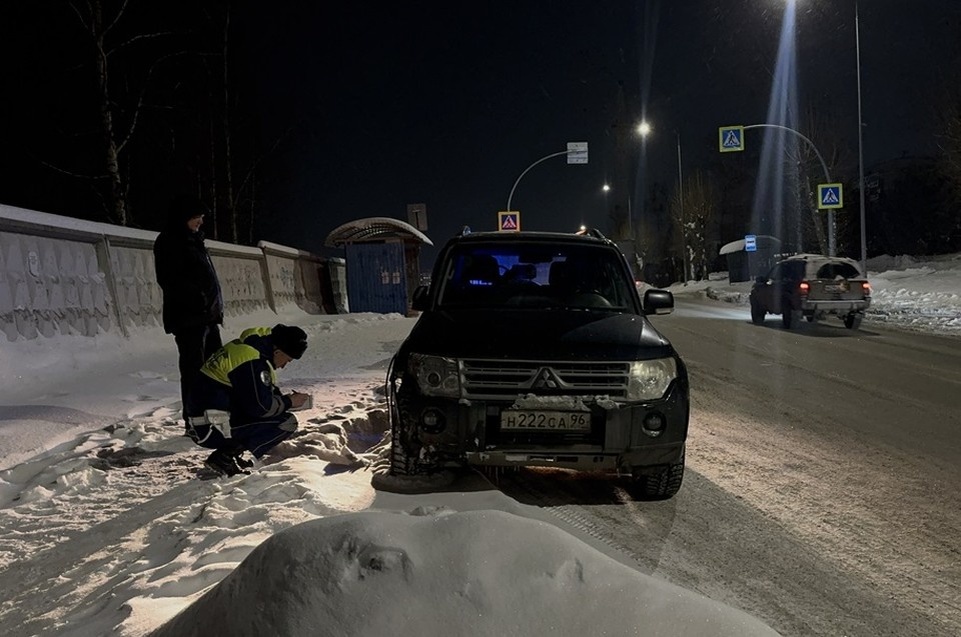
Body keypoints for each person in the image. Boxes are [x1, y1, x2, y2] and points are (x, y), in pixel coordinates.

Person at [184, 324, 311, 476]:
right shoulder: (252, 362)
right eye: (287, 360)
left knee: (273, 413)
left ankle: (229, 454)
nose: (283, 366)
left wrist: (283, 400)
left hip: (203, 420)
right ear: (278, 351)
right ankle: (224, 458)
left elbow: (256, 394)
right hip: (209, 428)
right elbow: (261, 408)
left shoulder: (248, 349)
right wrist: (289, 402)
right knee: (286, 422)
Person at [153, 195, 224, 412]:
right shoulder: (170, 241)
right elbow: (170, 280)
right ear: (182, 218)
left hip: (208, 317)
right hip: (190, 319)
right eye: (196, 217)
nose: (200, 221)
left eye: (201, 217)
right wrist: (200, 301)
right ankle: (195, 417)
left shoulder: (195, 240)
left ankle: (216, 411)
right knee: (194, 370)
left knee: (216, 366)